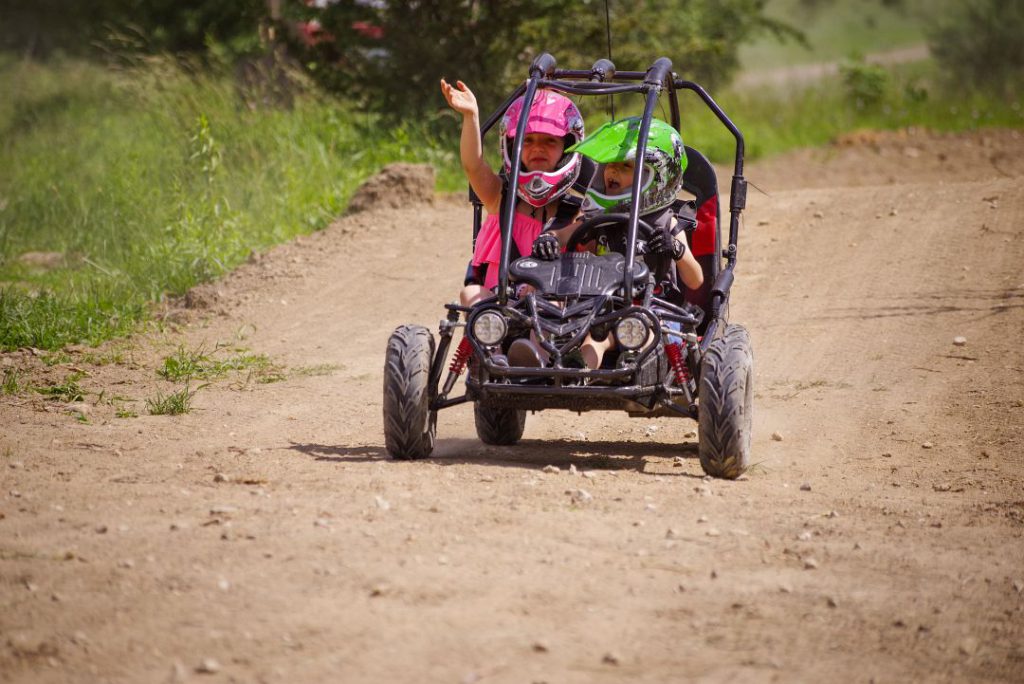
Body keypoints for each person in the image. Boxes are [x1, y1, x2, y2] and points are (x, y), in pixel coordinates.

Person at [531, 117, 704, 370]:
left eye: (624, 166)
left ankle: (634, 363)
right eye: (609, 165)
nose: (611, 171)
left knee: (644, 328)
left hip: (657, 312)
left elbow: (696, 280)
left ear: (656, 178)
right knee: (595, 339)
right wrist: (549, 239)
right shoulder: (598, 218)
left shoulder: (667, 223)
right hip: (605, 307)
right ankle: (577, 371)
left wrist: (675, 249)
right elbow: (565, 234)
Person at [439, 79, 585, 306]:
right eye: (527, 140)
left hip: (550, 319)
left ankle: (530, 343)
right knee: (470, 294)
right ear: (512, 146)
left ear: (567, 149)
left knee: (551, 304)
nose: (538, 148)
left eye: (549, 141)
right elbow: (473, 165)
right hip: (497, 314)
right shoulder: (500, 198)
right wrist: (471, 116)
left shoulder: (575, 214)